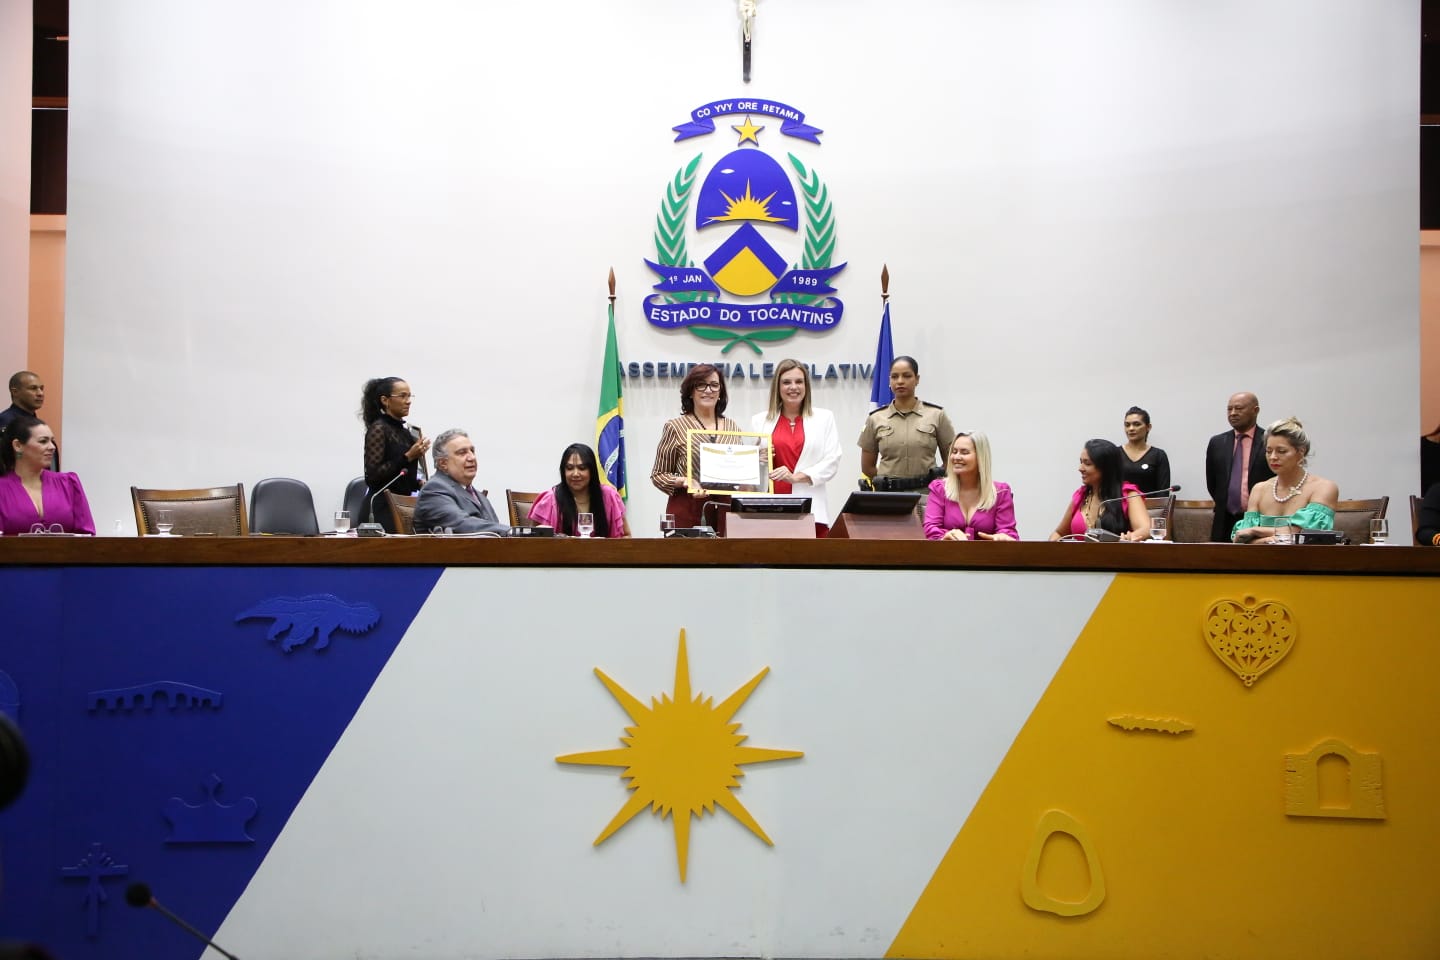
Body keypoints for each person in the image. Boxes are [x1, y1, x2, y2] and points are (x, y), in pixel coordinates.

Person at [749, 359, 842, 536]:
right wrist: (755, 459)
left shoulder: (824, 418)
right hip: (770, 509)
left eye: (799, 381)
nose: (793, 387)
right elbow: (753, 470)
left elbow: (832, 461)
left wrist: (795, 478)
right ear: (777, 387)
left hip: (812, 509)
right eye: (786, 382)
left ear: (806, 386)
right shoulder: (760, 421)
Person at [649, 363, 741, 529]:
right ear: (690, 392)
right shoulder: (675, 427)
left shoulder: (732, 427)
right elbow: (658, 475)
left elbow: (739, 472)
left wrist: (756, 464)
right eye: (701, 385)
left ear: (720, 392)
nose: (708, 390)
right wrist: (685, 481)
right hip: (688, 510)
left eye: (714, 385)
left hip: (726, 510)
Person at [1231, 417, 1339, 543]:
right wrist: (1268, 540)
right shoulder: (1259, 489)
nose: (1273, 457)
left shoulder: (1323, 487)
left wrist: (1256, 531)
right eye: (1268, 451)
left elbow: (1304, 534)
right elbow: (1243, 538)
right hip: (1261, 555)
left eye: (1281, 451)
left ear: (1301, 451)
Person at [858, 356, 955, 490]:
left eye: (907, 376)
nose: (900, 381)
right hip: (889, 495)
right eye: (894, 377)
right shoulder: (875, 418)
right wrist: (889, 482)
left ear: (917, 379)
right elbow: (867, 467)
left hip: (927, 494)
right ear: (889, 380)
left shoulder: (936, 415)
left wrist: (935, 482)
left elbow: (951, 460)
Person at [0, 415, 94, 536]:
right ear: (18, 445)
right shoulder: (2, 489)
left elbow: (87, 536)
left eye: (52, 441)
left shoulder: (68, 483)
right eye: (43, 441)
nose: (52, 447)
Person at [360, 377, 429, 531]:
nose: (408, 401)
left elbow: (400, 477)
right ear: (385, 400)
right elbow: (373, 476)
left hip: (402, 507)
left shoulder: (405, 432)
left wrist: (418, 483)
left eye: (409, 396)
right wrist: (408, 457)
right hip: (381, 509)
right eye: (402, 396)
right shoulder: (378, 429)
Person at [1204, 391, 1275, 542]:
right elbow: (1212, 483)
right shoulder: (1217, 442)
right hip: (1224, 519)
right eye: (1229, 409)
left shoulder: (1269, 441)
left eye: (1239, 408)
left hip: (1260, 520)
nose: (1233, 413)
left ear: (1255, 410)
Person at [1048, 438, 1150, 541]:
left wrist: (1128, 538)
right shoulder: (1081, 496)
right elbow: (1059, 533)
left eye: (1087, 463)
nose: (1080, 468)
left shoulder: (1127, 495)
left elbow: (1146, 529)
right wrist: (1052, 546)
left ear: (1106, 468)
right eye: (1081, 462)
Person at [924, 432, 1018, 541]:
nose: (956, 457)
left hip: (988, 552)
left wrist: (1002, 538)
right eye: (954, 452)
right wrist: (947, 536)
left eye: (964, 452)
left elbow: (1008, 532)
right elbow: (931, 528)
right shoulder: (939, 489)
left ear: (980, 457)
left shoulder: (1001, 492)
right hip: (948, 551)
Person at [412, 429, 509, 534]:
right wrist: (512, 531)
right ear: (443, 463)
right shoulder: (433, 490)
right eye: (462, 453)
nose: (472, 457)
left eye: (472, 451)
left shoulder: (479, 495)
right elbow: (462, 525)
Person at [528, 443, 630, 537]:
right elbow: (532, 542)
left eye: (582, 468)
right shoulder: (549, 499)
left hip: (602, 551)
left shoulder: (610, 496)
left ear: (592, 470)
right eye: (569, 468)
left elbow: (626, 537)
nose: (575, 474)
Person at [0, 372, 57, 471]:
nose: (40, 393)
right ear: (15, 392)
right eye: (33, 388)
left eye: (41, 388)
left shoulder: (36, 422)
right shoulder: (6, 422)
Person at [1118, 405, 1170, 492]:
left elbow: (1163, 492)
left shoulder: (1158, 455)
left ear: (1148, 427)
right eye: (1127, 425)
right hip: (1120, 501)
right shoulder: (1115, 454)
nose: (1131, 428)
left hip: (1150, 501)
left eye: (1136, 424)